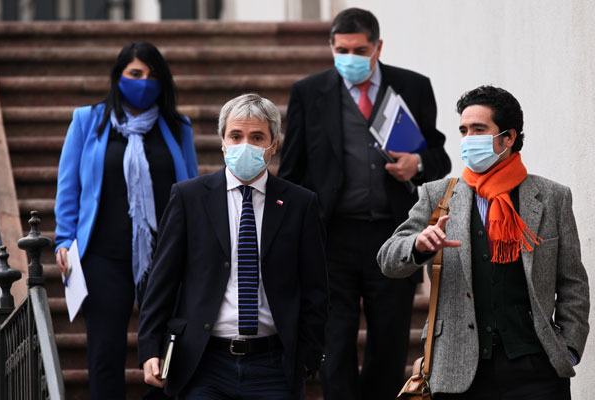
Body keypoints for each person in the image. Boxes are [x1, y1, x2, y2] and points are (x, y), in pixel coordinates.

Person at [278, 7, 451, 399]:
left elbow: (439, 158)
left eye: (360, 50)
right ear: (331, 47)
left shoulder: (413, 86)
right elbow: (291, 171)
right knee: (333, 342)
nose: (350, 58)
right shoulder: (309, 91)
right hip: (331, 237)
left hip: (393, 234)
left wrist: (417, 163)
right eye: (342, 50)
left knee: (389, 341)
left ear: (378, 47)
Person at [377, 85, 590, 399]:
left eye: (479, 129)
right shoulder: (439, 195)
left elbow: (573, 281)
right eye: (463, 130)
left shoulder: (552, 197)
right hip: (456, 369)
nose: (468, 139)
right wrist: (419, 245)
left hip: (535, 368)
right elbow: (387, 260)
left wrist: (568, 349)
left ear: (508, 137)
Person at [137, 93, 329, 399]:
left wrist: (309, 353)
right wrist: (149, 347)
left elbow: (315, 287)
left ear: (273, 146)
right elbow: (162, 281)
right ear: (223, 142)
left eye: (257, 137)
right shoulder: (189, 198)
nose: (245, 145)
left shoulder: (300, 203)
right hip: (203, 362)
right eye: (236, 136)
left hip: (273, 366)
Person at [54, 41, 198, 400]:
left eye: (153, 75)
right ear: (119, 76)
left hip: (165, 257)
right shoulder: (87, 121)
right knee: (105, 352)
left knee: (168, 351)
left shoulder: (178, 127)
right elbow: (69, 186)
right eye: (136, 74)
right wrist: (63, 239)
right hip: (102, 255)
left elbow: (195, 190)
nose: (144, 82)